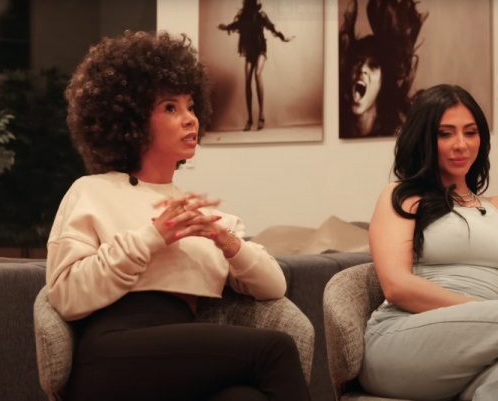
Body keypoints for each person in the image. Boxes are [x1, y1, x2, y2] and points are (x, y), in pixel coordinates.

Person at [46, 30, 311, 401]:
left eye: (191, 106)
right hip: (111, 354)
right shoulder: (92, 191)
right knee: (275, 349)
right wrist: (152, 237)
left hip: (180, 356)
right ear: (132, 121)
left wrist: (224, 240)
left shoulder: (201, 213)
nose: (190, 120)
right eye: (170, 108)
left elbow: (274, 287)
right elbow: (65, 294)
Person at [360, 84, 498, 400]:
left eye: (471, 132)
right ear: (423, 139)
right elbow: (397, 285)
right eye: (445, 134)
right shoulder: (402, 197)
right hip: (403, 340)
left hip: (483, 344)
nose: (461, 144)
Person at [338, 0, 426, 138]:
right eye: (358, 61)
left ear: (382, 82)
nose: (362, 69)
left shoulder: (397, 135)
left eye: (373, 66)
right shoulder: (337, 128)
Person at [218, 0, 294, 131]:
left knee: (257, 74)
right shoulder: (243, 17)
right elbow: (235, 25)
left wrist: (283, 38)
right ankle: (250, 119)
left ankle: (261, 116)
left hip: (260, 50)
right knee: (247, 81)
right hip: (249, 52)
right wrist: (225, 27)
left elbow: (272, 28)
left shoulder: (261, 16)